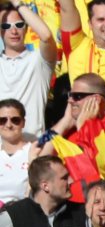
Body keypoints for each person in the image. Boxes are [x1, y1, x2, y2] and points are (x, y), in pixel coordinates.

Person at [0, 3, 57, 137]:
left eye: (19, 25)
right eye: (6, 26)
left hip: (32, 149)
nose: (14, 31)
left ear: (26, 28)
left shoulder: (39, 60)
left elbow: (46, 36)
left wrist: (17, 3)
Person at [0, 99, 38, 207]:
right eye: (2, 120)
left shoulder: (34, 150)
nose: (8, 125)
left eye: (15, 120)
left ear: (23, 123)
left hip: (21, 215)